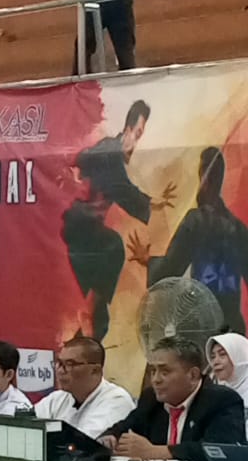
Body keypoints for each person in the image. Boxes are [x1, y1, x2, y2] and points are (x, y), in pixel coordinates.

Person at [61, 99, 175, 340]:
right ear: (127, 129)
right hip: (77, 225)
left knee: (100, 318)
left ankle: (88, 325)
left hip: (86, 229)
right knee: (112, 247)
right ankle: (90, 312)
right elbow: (120, 187)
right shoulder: (109, 152)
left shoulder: (109, 154)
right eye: (138, 133)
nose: (137, 142)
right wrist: (150, 202)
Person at [127, 147, 248, 334]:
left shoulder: (195, 221)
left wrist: (148, 260)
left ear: (203, 177)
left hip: (204, 323)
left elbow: (171, 268)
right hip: (234, 327)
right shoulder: (239, 229)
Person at [103, 337, 246, 461]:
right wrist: (110, 438)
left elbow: (222, 449)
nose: (156, 380)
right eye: (153, 371)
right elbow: (125, 426)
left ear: (193, 375)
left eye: (165, 372)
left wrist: (158, 452)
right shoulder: (151, 398)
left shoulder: (222, 400)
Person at [34, 336, 135, 437]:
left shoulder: (117, 400)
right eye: (59, 363)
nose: (60, 371)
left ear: (95, 370)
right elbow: (29, 426)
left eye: (69, 364)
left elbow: (85, 441)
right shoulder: (56, 398)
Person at [208, 333, 248, 435]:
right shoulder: (216, 392)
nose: (215, 362)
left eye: (222, 354)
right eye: (212, 357)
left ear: (239, 355)